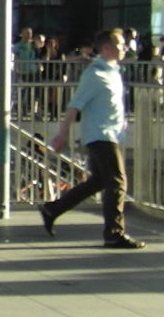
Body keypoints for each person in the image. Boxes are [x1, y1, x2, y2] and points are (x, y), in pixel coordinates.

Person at [38, 29, 145, 248]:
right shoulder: (94, 74)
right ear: (107, 47)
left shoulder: (113, 72)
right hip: (100, 135)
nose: (124, 48)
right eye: (121, 45)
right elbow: (75, 105)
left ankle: (53, 209)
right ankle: (114, 233)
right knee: (117, 182)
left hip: (112, 133)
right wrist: (61, 134)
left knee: (99, 181)